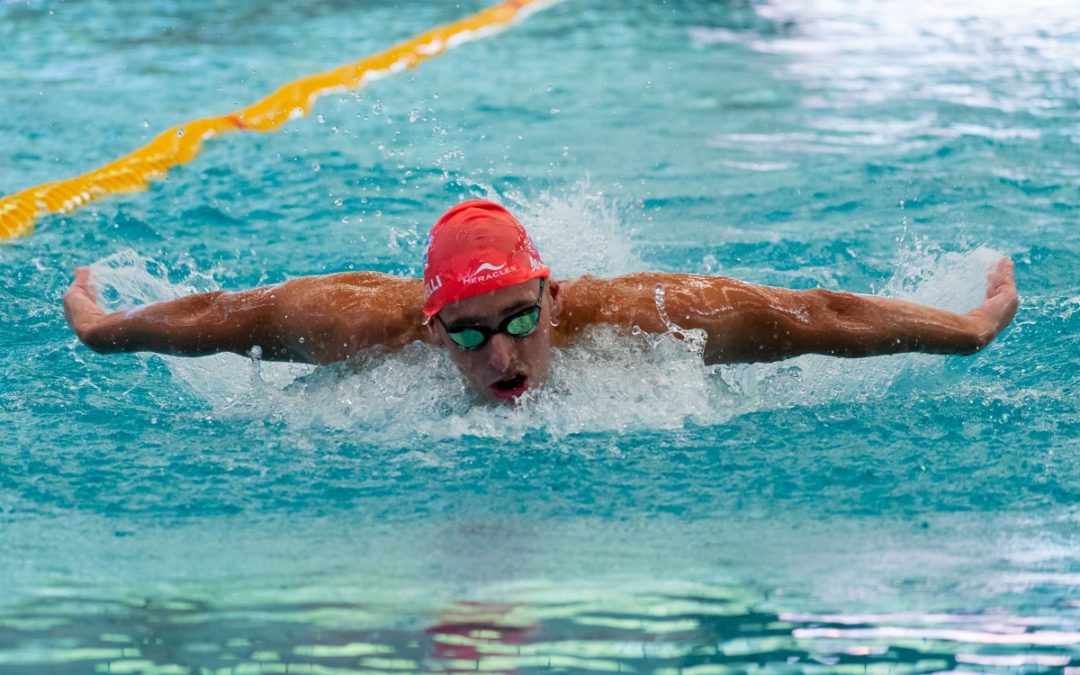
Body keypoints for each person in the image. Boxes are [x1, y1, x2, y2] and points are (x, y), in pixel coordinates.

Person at [64, 200, 1018, 403]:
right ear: (432, 327)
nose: (500, 357)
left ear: (554, 298)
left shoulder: (642, 314)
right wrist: (110, 331)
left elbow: (817, 315)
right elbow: (227, 316)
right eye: (470, 336)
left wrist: (966, 330)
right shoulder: (362, 322)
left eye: (522, 320)